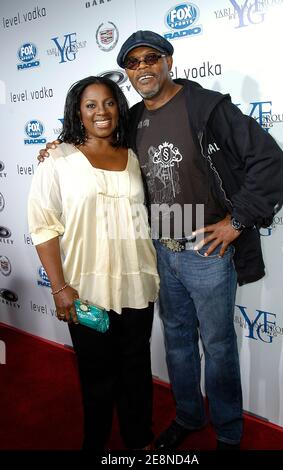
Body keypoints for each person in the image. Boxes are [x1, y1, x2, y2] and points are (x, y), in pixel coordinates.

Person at [38, 31, 283, 450]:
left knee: (219, 346)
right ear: (128, 74)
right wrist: (59, 146)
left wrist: (237, 221)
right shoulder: (132, 118)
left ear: (169, 60)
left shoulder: (206, 107)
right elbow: (100, 145)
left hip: (205, 250)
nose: (142, 68)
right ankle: (188, 415)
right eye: (132, 64)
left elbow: (267, 158)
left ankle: (227, 433)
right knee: (177, 344)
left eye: (150, 58)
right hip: (159, 252)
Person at [28, 75, 159, 451]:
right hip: (86, 289)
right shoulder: (57, 158)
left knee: (136, 370)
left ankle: (139, 441)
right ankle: (96, 444)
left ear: (119, 107)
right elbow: (43, 226)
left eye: (108, 103)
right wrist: (59, 287)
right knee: (97, 376)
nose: (101, 112)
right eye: (90, 105)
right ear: (78, 112)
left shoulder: (133, 155)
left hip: (137, 283)